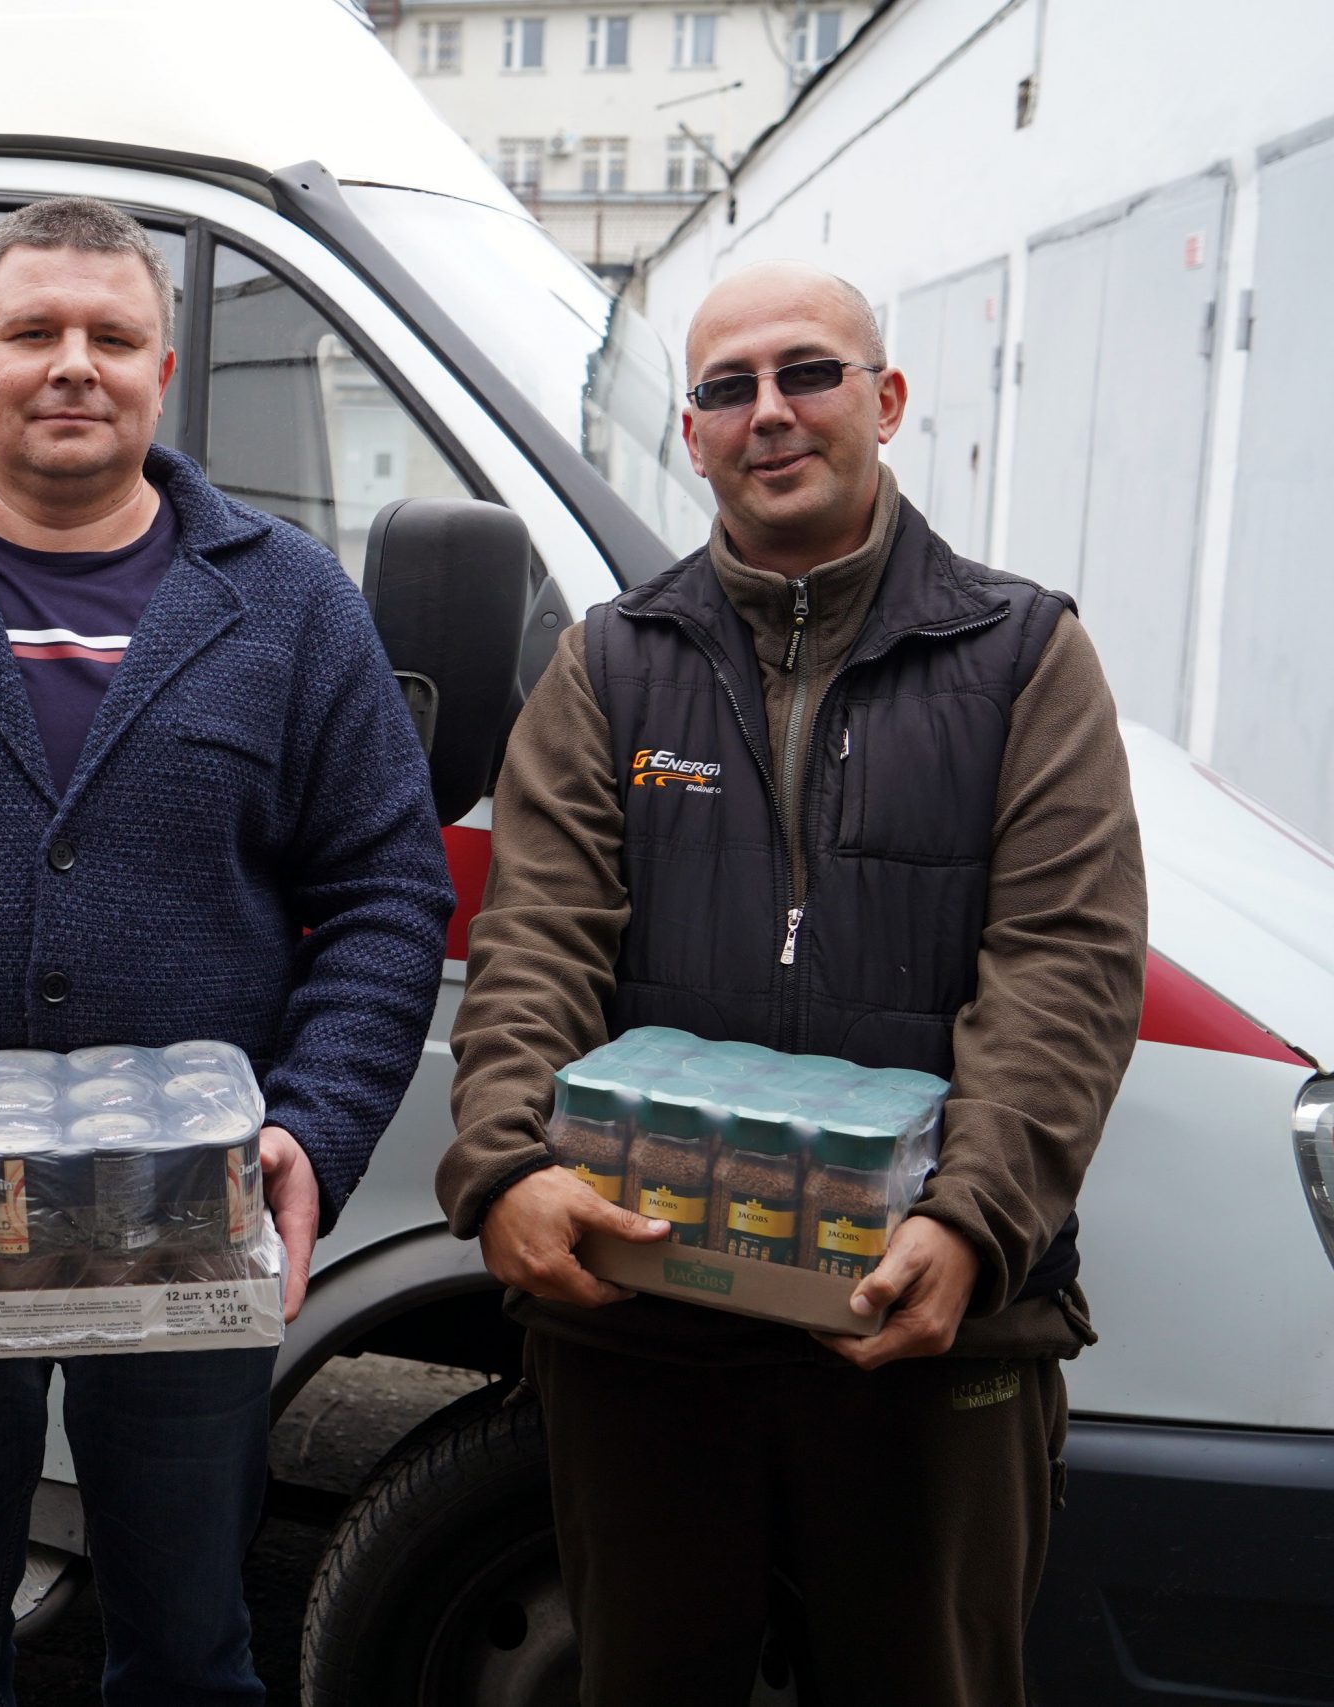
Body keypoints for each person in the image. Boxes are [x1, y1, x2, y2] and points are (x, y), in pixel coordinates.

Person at [0, 197, 455, 1706]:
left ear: (162, 369)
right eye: (35, 333)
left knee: (187, 1643)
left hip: (190, 1228)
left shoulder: (289, 602)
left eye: (111, 335)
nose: (74, 365)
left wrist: (313, 1125)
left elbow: (387, 891)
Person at [440, 259, 1147, 1705]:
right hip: (645, 1329)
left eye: (807, 373)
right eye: (726, 387)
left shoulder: (1025, 657)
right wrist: (506, 1166)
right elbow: (535, 947)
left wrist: (975, 1221)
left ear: (884, 402)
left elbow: (1066, 966)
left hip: (926, 1329)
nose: (768, 412)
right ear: (690, 435)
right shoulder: (610, 664)